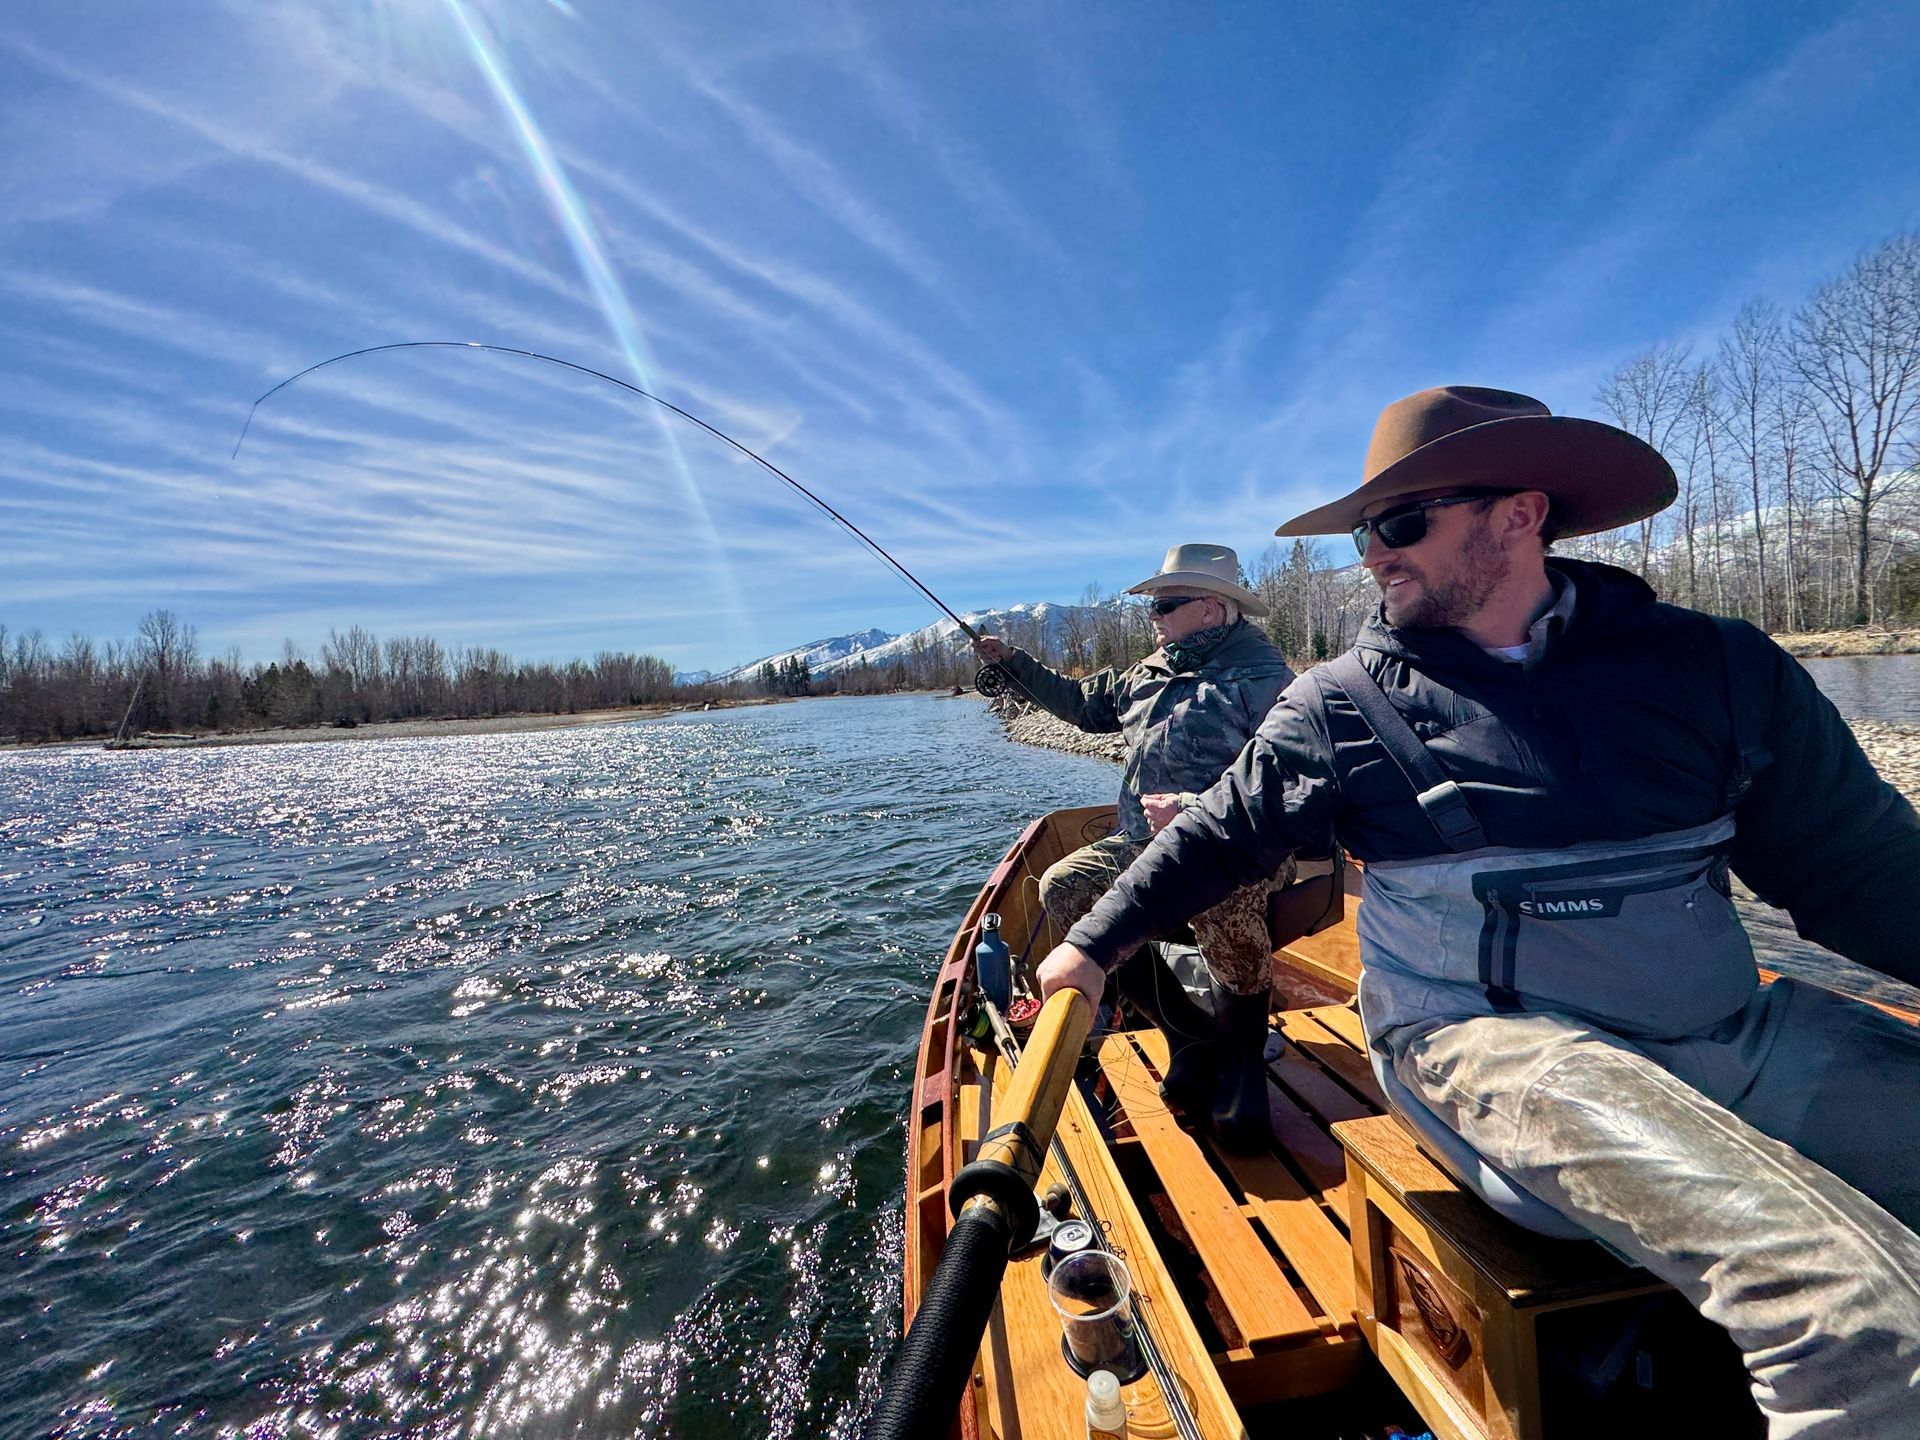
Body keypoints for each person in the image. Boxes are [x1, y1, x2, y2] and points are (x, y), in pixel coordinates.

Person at [1035, 386, 1920, 1434]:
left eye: (1400, 522)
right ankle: (1221, 1054)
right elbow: (1222, 830)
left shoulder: (1720, 670)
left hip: (1727, 1027)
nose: (1374, 553)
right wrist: (1090, 946)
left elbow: (1859, 873)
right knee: (1860, 1318)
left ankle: (1226, 1049)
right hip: (1489, 1041)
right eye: (1365, 531)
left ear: (1522, 513)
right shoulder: (1336, 705)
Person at [972, 543, 1301, 1148]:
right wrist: (1012, 660)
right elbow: (1080, 706)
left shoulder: (1269, 680)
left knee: (1220, 896)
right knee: (1064, 887)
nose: (1154, 616)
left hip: (1240, 847)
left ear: (1210, 608)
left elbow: (1289, 785)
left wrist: (1197, 811)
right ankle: (1185, 1033)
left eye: (1166, 605)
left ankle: (1242, 1059)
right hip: (1144, 845)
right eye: (1153, 606)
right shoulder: (1145, 674)